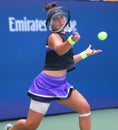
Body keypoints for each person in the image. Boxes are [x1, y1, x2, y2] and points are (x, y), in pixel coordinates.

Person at [4, 2, 102, 130]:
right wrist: (72, 40)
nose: (60, 20)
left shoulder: (64, 36)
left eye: (62, 17)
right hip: (44, 86)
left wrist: (85, 54)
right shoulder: (53, 36)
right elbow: (60, 50)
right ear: (50, 23)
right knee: (31, 125)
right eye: (55, 18)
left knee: (85, 108)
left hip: (61, 85)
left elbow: (66, 61)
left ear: (66, 18)